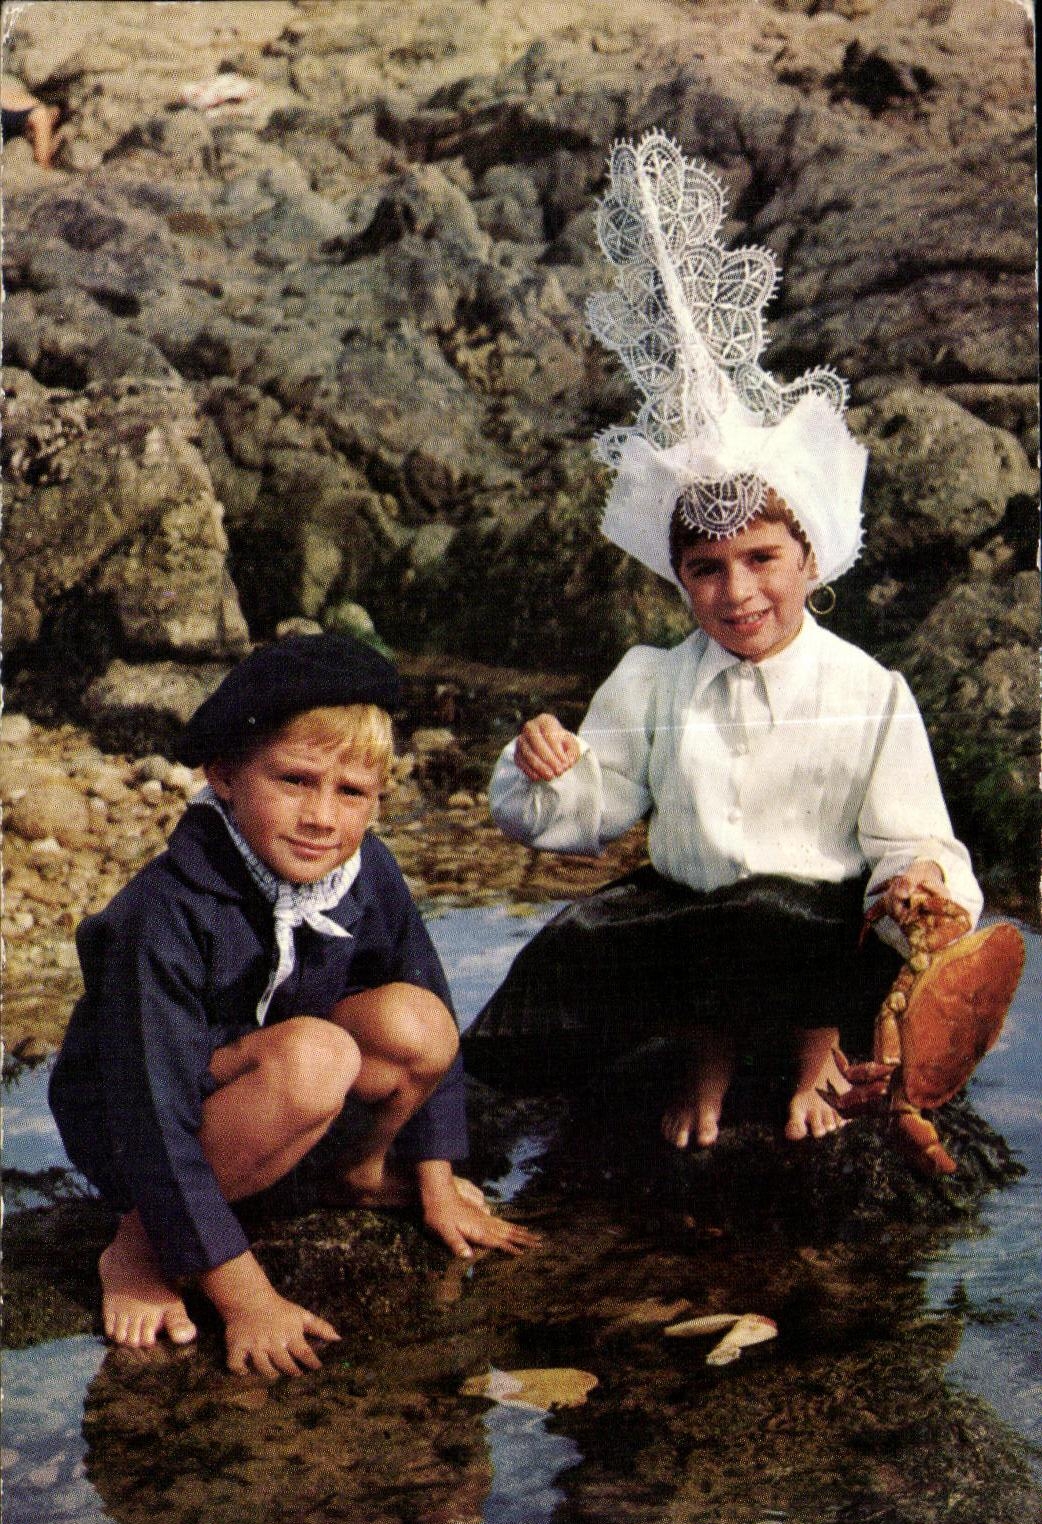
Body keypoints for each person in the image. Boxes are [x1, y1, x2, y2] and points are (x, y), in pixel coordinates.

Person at [463, 132, 983, 1153]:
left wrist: (918, 877)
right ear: (678, 577)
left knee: (783, 917)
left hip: (815, 936)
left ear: (809, 557)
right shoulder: (653, 680)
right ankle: (702, 1051)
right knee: (565, 955)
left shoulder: (866, 689)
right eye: (706, 569)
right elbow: (588, 815)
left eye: (761, 559)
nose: (737, 592)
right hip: (693, 930)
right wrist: (547, 769)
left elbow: (911, 838)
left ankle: (810, 1053)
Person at [49, 633, 537, 1378]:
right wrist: (246, 1297)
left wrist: (435, 1179)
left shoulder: (364, 870)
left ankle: (356, 1175)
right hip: (136, 1124)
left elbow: (428, 994)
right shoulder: (165, 913)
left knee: (420, 1023)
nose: (322, 817)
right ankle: (141, 1242)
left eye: (352, 792)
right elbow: (149, 1107)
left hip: (275, 1084)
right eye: (295, 780)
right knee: (318, 1056)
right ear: (224, 775)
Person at [1, 78, 61, 169]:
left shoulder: (16, 94)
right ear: (54, 113)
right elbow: (42, 161)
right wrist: (57, 139)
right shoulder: (40, 113)